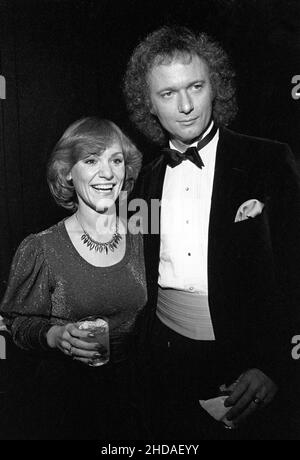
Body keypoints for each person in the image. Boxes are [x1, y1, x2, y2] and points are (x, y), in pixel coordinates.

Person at [123, 26, 300, 439]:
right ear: (147, 103)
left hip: (245, 364)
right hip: (164, 365)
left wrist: (276, 364)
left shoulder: (268, 160)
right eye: (167, 94)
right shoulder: (143, 182)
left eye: (196, 87)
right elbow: (140, 275)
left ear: (214, 86)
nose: (185, 105)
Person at [0, 117, 147, 440]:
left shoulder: (141, 239)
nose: (107, 173)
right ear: (67, 171)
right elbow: (17, 324)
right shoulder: (42, 247)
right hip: (69, 404)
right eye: (91, 160)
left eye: (116, 160)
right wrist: (56, 335)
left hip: (133, 398)